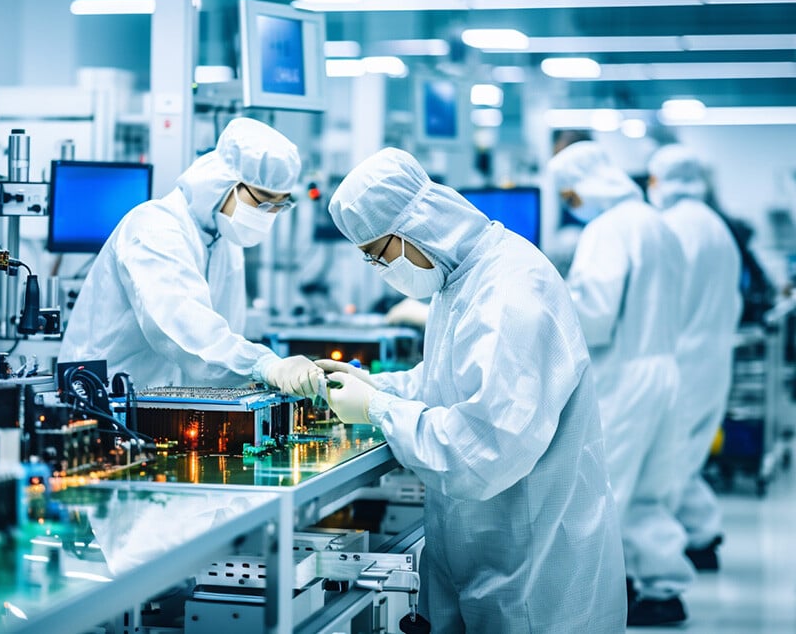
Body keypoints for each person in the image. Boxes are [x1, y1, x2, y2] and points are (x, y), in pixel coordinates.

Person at [318, 148, 626, 633]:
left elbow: (482, 451)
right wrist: (375, 385)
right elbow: (443, 384)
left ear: (415, 226)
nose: (382, 270)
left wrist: (378, 409)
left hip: (531, 566)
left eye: (379, 254)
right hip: (490, 547)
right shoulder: (462, 278)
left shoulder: (509, 293)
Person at [59, 117, 322, 398]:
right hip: (106, 406)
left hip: (171, 414)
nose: (269, 215)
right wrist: (262, 365)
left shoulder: (224, 241)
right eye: (263, 201)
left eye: (280, 205)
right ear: (225, 182)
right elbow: (186, 330)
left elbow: (221, 339)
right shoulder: (154, 227)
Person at [548, 141, 694, 626]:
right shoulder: (656, 223)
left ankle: (595, 598)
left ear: (585, 185)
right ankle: (663, 588)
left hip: (625, 376)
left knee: (603, 488)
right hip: (666, 371)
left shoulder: (609, 230)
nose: (573, 208)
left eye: (570, 197)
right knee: (651, 489)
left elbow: (594, 315)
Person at [648, 144, 742, 571]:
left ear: (661, 180)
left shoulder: (671, 227)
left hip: (681, 359)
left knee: (663, 466)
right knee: (686, 457)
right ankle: (702, 535)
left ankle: (662, 573)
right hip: (713, 358)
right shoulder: (715, 226)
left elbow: (661, 302)